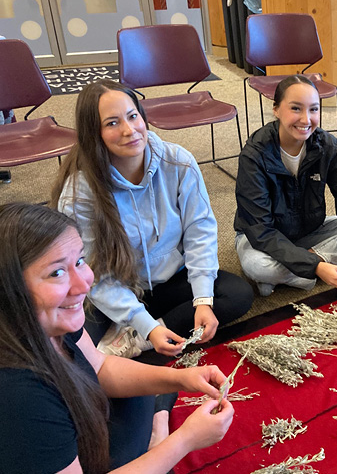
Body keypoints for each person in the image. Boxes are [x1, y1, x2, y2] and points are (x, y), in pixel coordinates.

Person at [0, 202, 234, 473]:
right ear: (9, 290)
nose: (84, 283)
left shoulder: (51, 321)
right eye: (56, 272)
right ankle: (158, 432)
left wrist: (181, 378)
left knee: (143, 391)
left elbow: (99, 367)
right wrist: (184, 441)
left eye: (79, 261)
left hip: (79, 437)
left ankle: (157, 425)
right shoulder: (19, 394)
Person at [52, 79, 254, 358]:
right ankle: (142, 328)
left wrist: (202, 300)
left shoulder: (178, 162)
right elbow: (95, 276)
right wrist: (144, 322)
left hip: (170, 279)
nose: (129, 130)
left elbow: (200, 232)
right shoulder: (80, 194)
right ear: (93, 134)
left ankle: (137, 338)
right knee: (69, 344)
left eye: (133, 116)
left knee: (237, 294)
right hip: (116, 288)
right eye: (112, 123)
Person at [234, 75, 337, 296]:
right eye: (296, 109)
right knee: (258, 266)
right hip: (263, 236)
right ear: (276, 109)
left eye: (314, 109)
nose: (306, 120)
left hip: (309, 228)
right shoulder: (254, 154)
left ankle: (292, 278)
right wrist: (316, 265)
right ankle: (323, 269)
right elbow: (261, 231)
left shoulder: (328, 146)